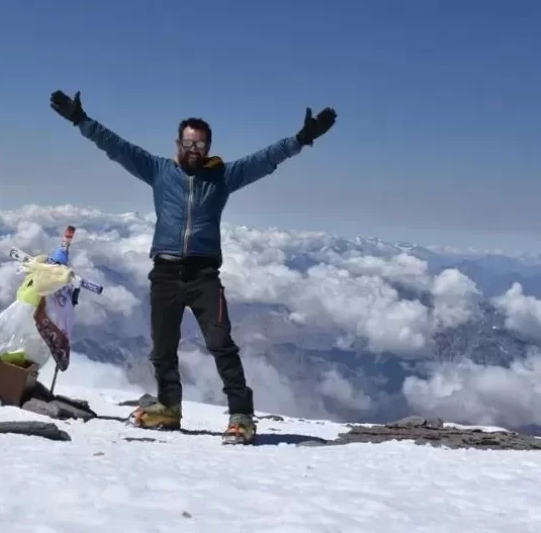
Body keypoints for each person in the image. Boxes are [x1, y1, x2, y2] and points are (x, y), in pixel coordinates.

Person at [50, 89, 337, 444]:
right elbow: (117, 147)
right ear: (178, 143)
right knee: (162, 348)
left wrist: (302, 139)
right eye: (188, 145)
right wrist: (81, 120)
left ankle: (241, 415)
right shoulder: (157, 171)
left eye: (200, 147)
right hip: (166, 272)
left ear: (208, 147)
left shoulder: (223, 177)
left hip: (204, 275)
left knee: (220, 343)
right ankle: (169, 408)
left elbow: (265, 159)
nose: (193, 152)